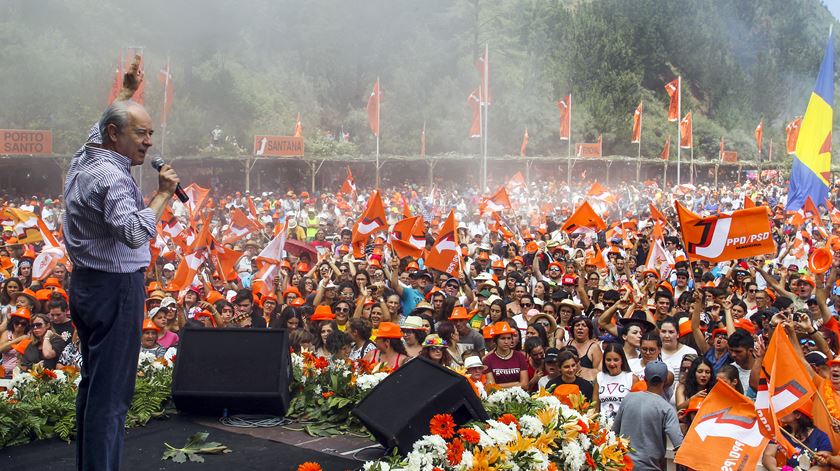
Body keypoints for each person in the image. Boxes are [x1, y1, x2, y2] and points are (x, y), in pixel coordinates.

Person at [63, 56, 181, 471]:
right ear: (115, 135)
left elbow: (100, 125)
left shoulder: (86, 156)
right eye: (141, 134)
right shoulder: (113, 178)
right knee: (112, 397)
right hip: (116, 289)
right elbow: (133, 232)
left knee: (95, 386)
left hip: (87, 285)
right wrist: (164, 193)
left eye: (150, 133)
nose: (149, 142)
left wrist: (127, 92)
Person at [612, 360, 684, 471]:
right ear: (664, 381)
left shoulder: (628, 398)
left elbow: (613, 432)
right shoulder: (666, 408)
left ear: (645, 379)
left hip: (622, 465)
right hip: (649, 467)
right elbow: (679, 444)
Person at [594, 342, 637, 420]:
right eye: (608, 360)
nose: (612, 364)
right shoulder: (599, 377)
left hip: (624, 426)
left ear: (622, 360)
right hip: (602, 427)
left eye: (616, 360)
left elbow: (636, 408)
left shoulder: (631, 378)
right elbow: (595, 409)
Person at [483, 321, 529, 389]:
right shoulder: (488, 360)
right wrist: (516, 384)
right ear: (496, 340)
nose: (506, 342)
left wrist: (499, 386)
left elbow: (525, 385)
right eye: (503, 338)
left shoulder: (520, 356)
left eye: (509, 338)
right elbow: (491, 388)